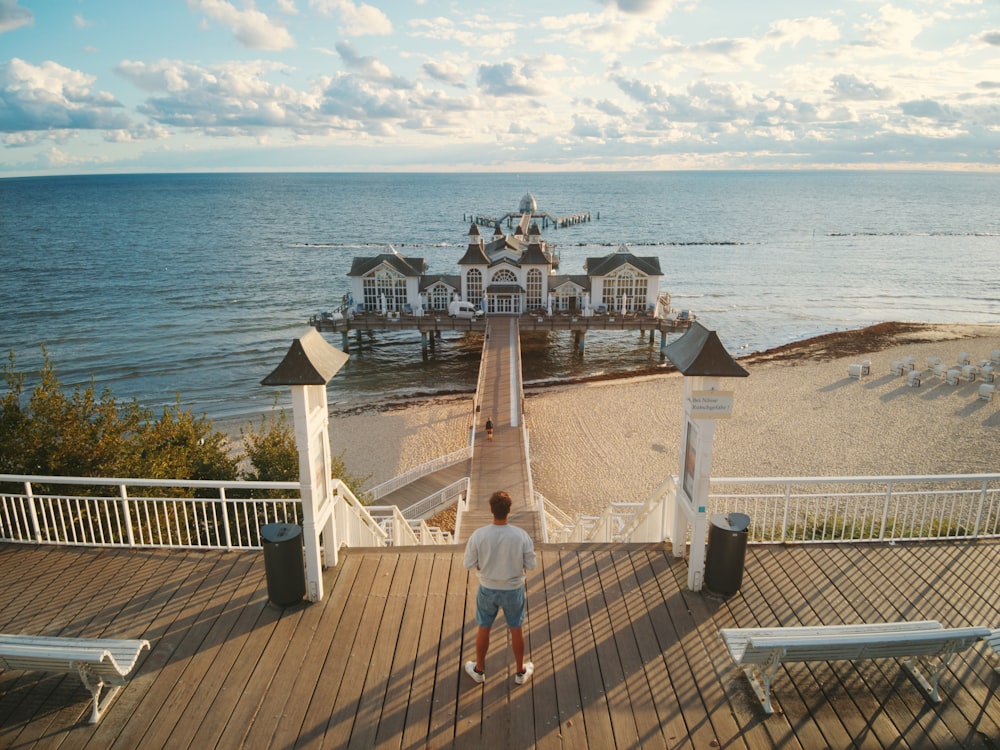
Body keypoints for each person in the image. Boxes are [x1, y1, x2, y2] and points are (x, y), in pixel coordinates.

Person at [463, 490, 537, 685]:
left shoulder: (479, 535)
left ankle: (479, 670)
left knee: (484, 628)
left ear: (491, 510)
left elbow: (468, 564)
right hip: (513, 589)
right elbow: (531, 565)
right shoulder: (520, 536)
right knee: (516, 628)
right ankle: (520, 672)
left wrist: (484, 565)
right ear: (509, 510)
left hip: (487, 588)